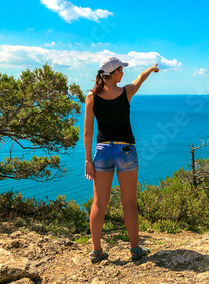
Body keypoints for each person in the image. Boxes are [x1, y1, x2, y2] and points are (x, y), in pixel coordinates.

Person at [84, 56, 159, 263]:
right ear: (115, 73)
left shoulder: (91, 96)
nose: (123, 73)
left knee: (99, 203)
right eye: (121, 70)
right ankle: (135, 250)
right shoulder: (125, 92)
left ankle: (96, 251)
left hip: (101, 152)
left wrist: (88, 160)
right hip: (125, 150)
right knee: (129, 203)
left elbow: (88, 132)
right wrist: (150, 69)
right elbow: (139, 80)